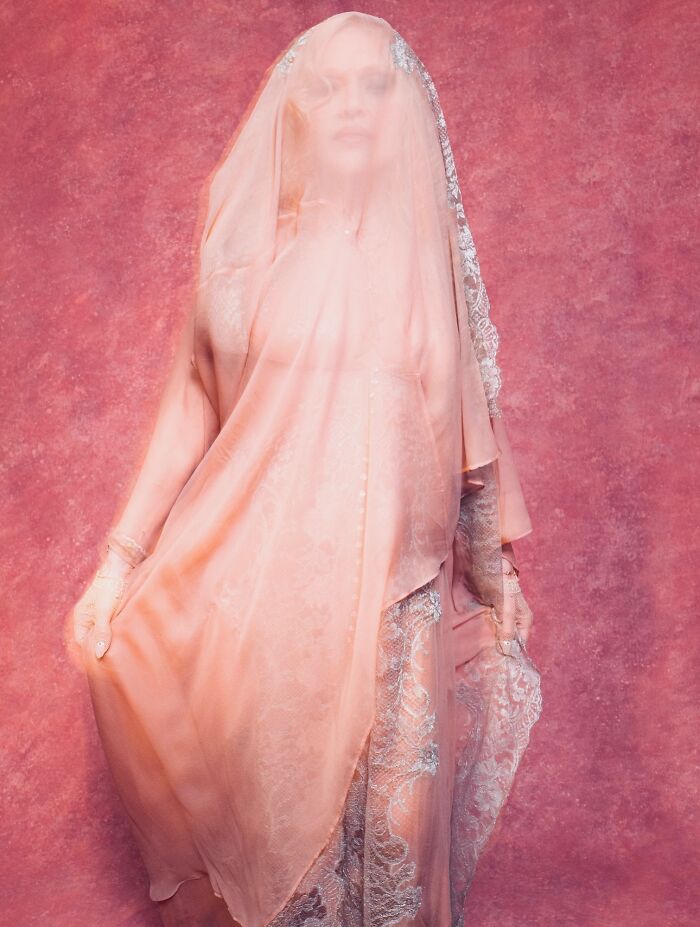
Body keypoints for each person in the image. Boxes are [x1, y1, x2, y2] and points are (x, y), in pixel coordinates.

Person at [67, 12, 542, 927]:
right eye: (329, 88)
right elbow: (188, 409)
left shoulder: (418, 266)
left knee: (399, 839)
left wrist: (497, 567)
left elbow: (468, 431)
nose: (354, 107)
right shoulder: (243, 265)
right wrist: (118, 561)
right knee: (285, 832)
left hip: (397, 604)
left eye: (377, 86)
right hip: (265, 598)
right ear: (294, 114)